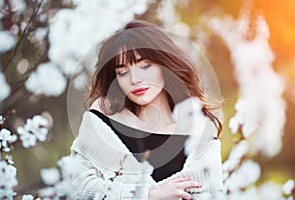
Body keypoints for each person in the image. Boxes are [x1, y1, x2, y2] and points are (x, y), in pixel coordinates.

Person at [68, 20, 224, 200]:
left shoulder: (198, 128)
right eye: (122, 72)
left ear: (165, 64)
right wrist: (148, 196)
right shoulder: (103, 117)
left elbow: (212, 194)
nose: (135, 79)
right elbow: (76, 187)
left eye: (145, 66)